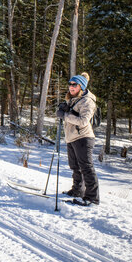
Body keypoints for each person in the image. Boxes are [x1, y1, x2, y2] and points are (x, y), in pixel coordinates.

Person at [56, 72, 100, 206]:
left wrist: (65, 115)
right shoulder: (73, 99)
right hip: (72, 138)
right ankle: (77, 191)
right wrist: (64, 109)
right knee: (75, 167)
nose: (71, 87)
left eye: (74, 85)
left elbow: (83, 121)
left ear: (81, 86)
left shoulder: (87, 101)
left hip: (83, 137)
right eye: (70, 84)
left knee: (86, 167)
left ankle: (92, 198)